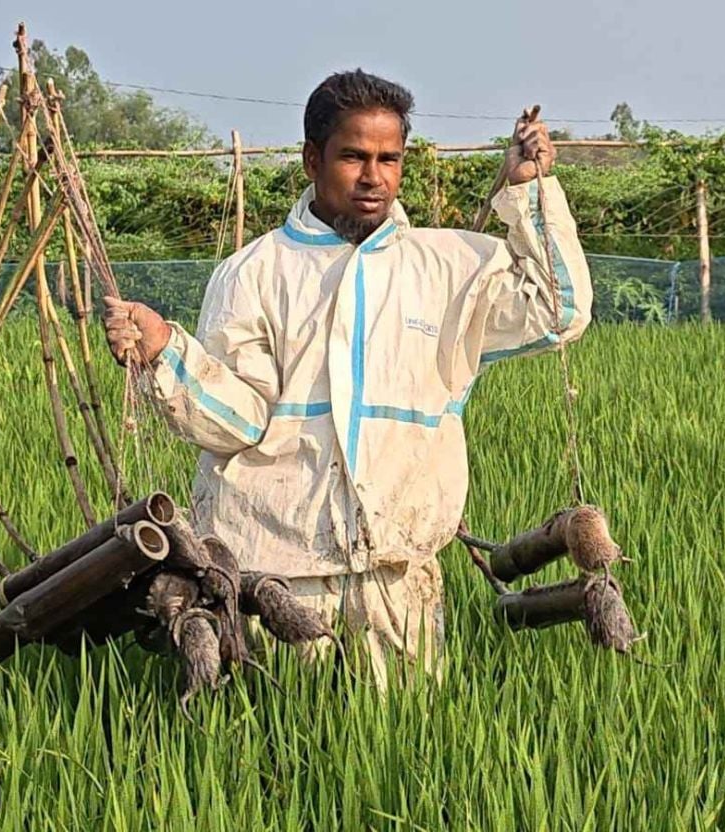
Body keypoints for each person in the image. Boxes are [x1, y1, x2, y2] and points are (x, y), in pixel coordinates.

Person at [102, 69, 592, 687]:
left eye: (390, 159)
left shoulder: (448, 266)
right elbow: (238, 420)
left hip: (399, 568)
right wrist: (166, 352)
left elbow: (560, 310)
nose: (374, 177)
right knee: (277, 736)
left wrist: (530, 193)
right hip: (276, 571)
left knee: (395, 745)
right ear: (313, 158)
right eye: (354, 156)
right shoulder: (253, 273)